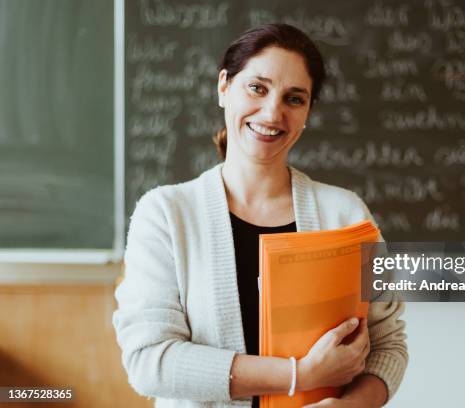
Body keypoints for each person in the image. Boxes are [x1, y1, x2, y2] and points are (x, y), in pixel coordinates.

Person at [113, 23, 407, 408]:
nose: (272, 112)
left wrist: (350, 406)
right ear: (224, 87)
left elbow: (388, 346)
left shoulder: (347, 214)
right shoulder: (165, 215)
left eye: (294, 98)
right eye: (257, 87)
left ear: (308, 112)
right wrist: (300, 375)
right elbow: (149, 363)